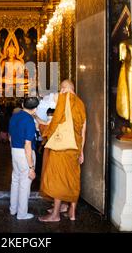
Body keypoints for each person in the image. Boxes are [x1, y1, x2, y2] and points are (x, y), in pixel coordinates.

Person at [39, 80, 87, 222]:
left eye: (61, 89)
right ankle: (71, 212)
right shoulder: (80, 104)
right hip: (75, 148)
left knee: (58, 179)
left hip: (61, 148)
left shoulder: (63, 98)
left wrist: (44, 129)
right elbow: (83, 130)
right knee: (72, 179)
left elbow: (55, 123)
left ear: (65, 89)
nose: (60, 91)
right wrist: (81, 151)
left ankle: (55, 214)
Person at [8, 96, 40, 220]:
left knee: (15, 180)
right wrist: (31, 167)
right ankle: (21, 214)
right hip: (24, 153)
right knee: (25, 184)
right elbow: (28, 144)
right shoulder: (29, 120)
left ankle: (13, 209)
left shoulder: (14, 116)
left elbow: (10, 137)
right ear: (35, 109)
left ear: (22, 105)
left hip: (14, 151)